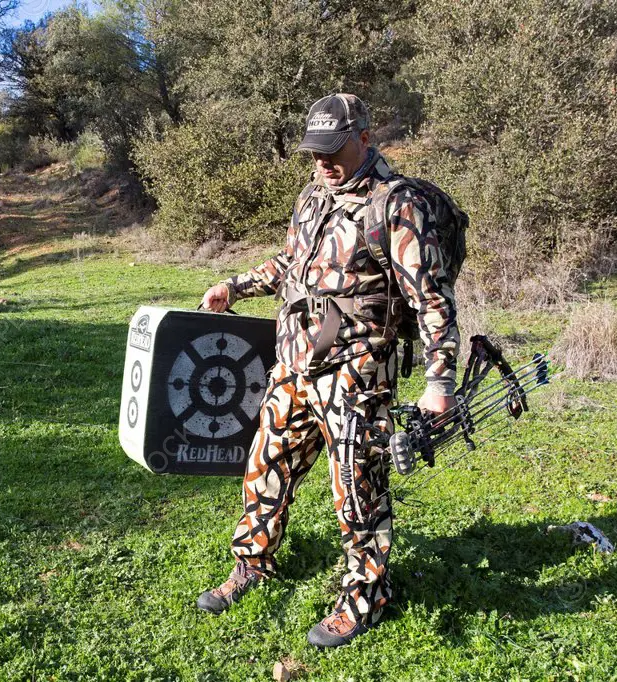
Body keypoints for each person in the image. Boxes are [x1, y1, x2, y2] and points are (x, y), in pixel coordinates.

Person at [197, 93, 459, 648]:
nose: (322, 162)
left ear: (363, 136)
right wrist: (235, 286)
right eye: (315, 152)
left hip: (357, 373)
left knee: (356, 488)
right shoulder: (314, 195)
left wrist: (439, 384)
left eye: (333, 150)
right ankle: (253, 563)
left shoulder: (396, 204)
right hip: (296, 364)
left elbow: (431, 300)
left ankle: (367, 595)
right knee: (266, 463)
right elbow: (292, 264)